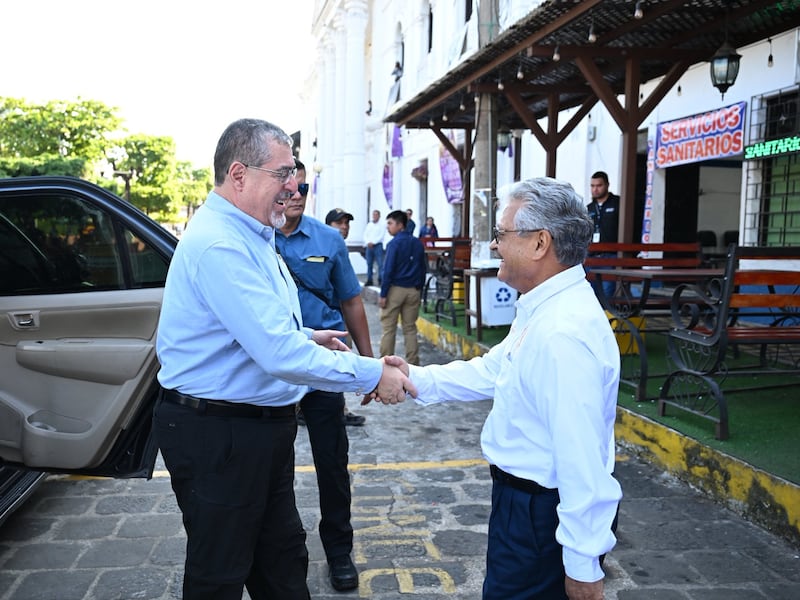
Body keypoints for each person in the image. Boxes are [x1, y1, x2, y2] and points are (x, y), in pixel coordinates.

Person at [154, 118, 415, 600]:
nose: (293, 185)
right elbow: (276, 352)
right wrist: (372, 371)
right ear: (239, 174)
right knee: (220, 574)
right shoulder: (221, 243)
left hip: (254, 430)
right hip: (222, 436)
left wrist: (306, 336)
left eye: (294, 172)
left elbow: (260, 331)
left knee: (282, 564)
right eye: (282, 173)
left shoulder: (252, 234)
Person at [378, 177, 622, 600]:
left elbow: (581, 455)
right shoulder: (545, 307)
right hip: (524, 506)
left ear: (540, 243)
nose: (494, 246)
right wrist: (416, 378)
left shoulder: (562, 332)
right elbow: (496, 370)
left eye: (501, 234)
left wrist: (583, 565)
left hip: (540, 516)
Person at [275, 160, 369, 591]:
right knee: (272, 466)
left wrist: (367, 366)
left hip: (322, 373)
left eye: (302, 186)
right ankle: (280, 551)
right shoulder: (256, 237)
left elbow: (351, 301)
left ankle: (339, 551)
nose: (295, 193)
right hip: (274, 372)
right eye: (287, 185)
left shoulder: (329, 239)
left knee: (332, 464)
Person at [378, 210, 426, 365]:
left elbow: (388, 270)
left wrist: (383, 294)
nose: (388, 227)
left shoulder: (394, 244)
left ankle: (386, 364)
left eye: (390, 223)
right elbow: (422, 268)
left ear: (400, 225)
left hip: (395, 290)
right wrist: (420, 288)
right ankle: (413, 364)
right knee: (410, 328)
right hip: (414, 290)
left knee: (388, 328)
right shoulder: (417, 243)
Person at [586, 170, 621, 299]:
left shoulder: (618, 203)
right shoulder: (589, 208)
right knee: (591, 294)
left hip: (611, 256)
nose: (595, 189)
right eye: (592, 186)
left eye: (599, 185)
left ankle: (608, 319)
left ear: (607, 185)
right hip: (591, 256)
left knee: (607, 294)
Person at [362, 209, 385, 286]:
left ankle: (381, 279)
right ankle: (369, 279)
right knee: (369, 263)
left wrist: (374, 242)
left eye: (376, 215)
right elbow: (365, 234)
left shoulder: (382, 225)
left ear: (379, 216)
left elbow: (381, 235)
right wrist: (368, 242)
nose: (374, 216)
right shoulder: (369, 225)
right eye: (373, 215)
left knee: (380, 264)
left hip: (377, 245)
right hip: (369, 246)